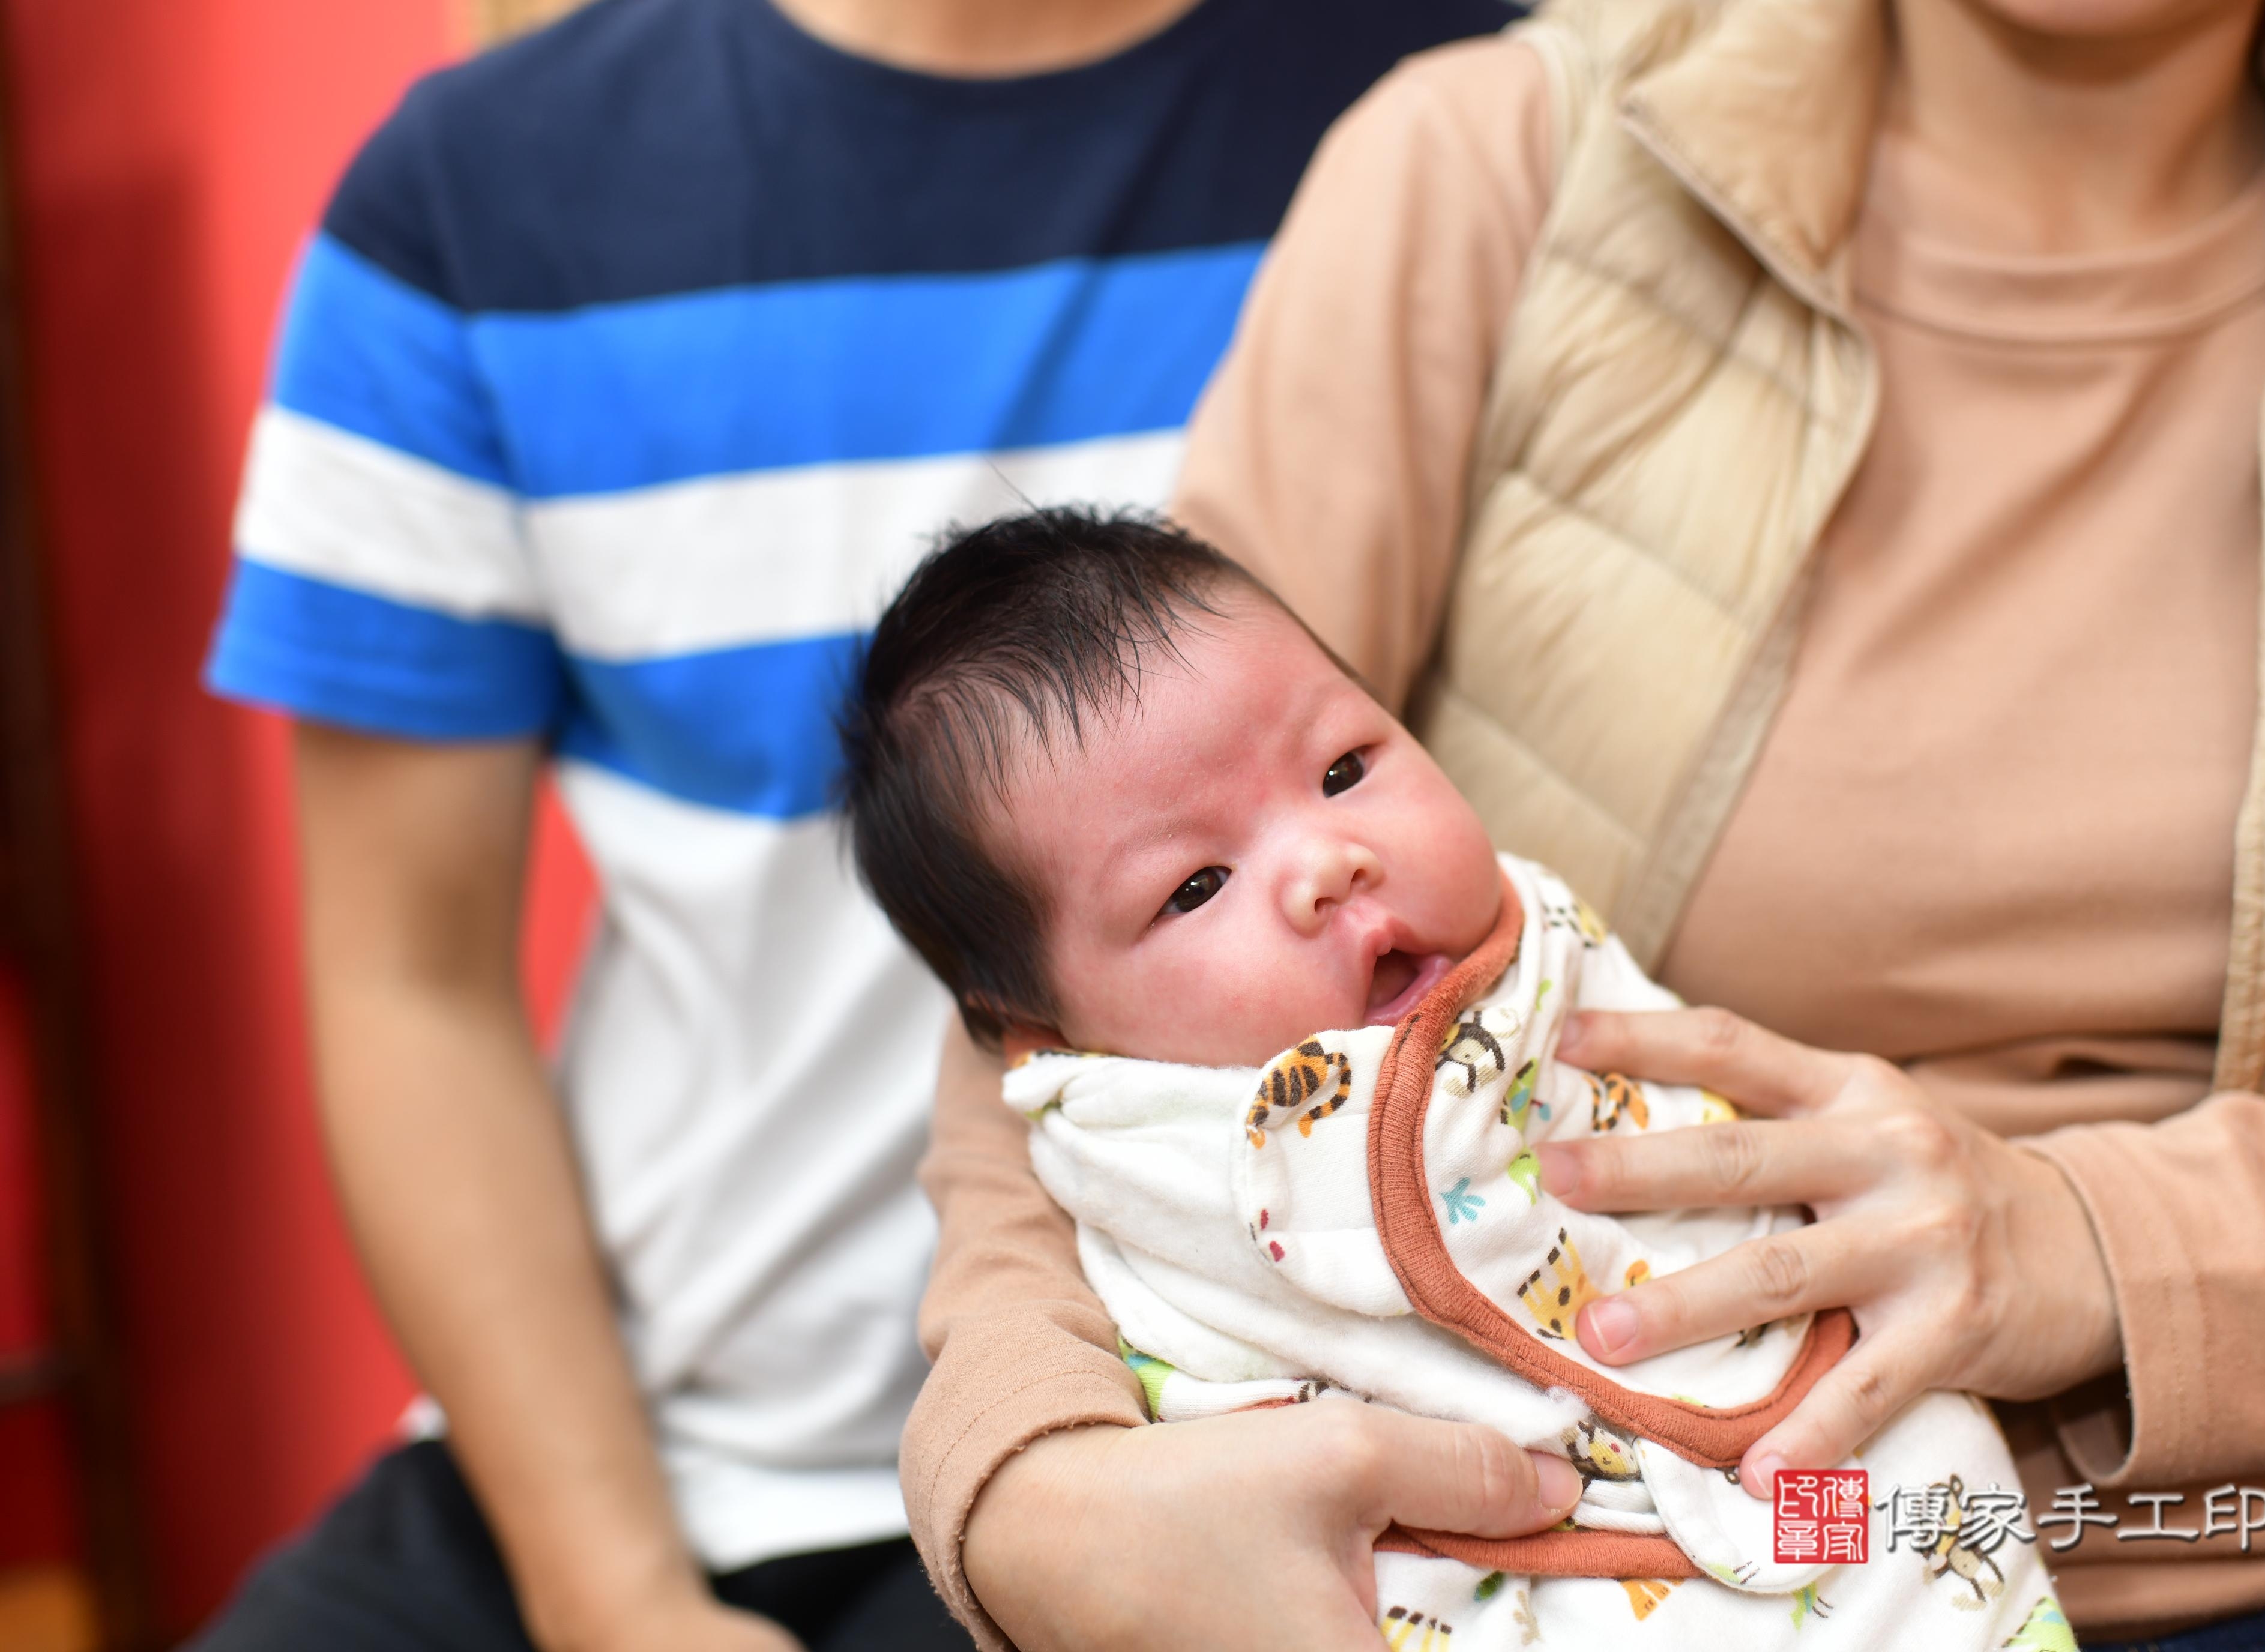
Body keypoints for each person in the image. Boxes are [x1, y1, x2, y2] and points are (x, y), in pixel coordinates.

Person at [897, 0, 2265, 1647]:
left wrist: (2095, 1245)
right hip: (1549, 1565)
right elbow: (1086, 929)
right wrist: (1037, 1491)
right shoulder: (1502, 170)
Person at [187, 0, 1513, 1647]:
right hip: (640, 1450)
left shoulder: (1474, 122)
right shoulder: (470, 203)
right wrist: (615, 1593)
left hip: (1234, 1413)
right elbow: (408, 980)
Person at [839, 508, 2060, 1648]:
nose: (1329, 860)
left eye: (1344, 766)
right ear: (1040, 1031)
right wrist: (1029, 1495)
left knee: (1921, 1480)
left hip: (1796, 1451)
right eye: (1194, 885)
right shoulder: (1136, 1135)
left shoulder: (1540, 962)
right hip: (1469, 1568)